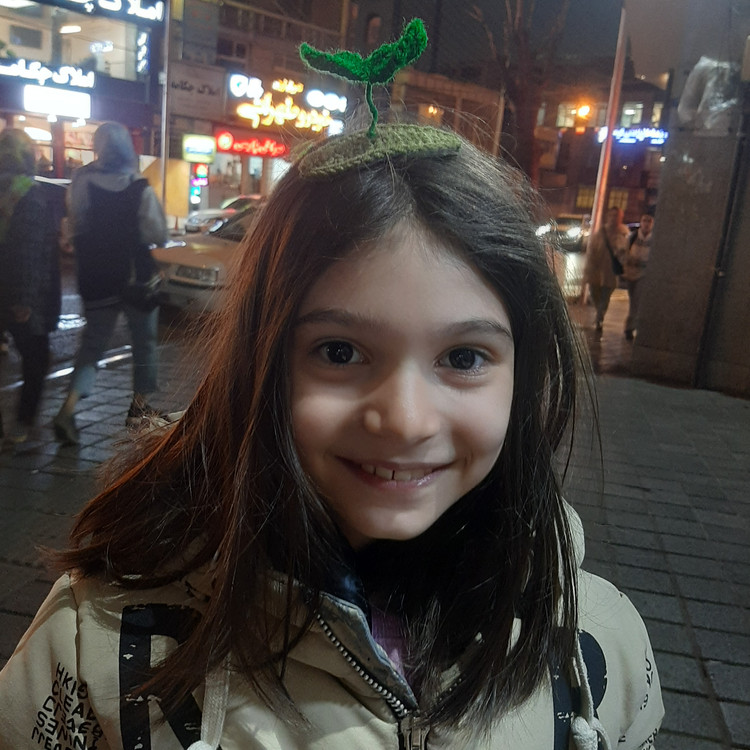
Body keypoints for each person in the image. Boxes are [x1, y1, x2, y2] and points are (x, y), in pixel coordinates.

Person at [0, 28, 663, 749]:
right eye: (340, 352)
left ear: (523, 375)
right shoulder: (94, 640)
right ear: (262, 361)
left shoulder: (595, 643)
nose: (404, 420)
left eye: (464, 357)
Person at [52, 121, 168, 445]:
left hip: (96, 277)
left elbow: (76, 225)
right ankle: (139, 409)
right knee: (144, 343)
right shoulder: (138, 186)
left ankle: (67, 409)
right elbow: (157, 233)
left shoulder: (81, 181)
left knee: (93, 345)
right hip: (135, 278)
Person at [0, 129, 61, 445]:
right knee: (36, 359)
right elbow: (28, 250)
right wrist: (23, 301)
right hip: (20, 292)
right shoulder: (28, 194)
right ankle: (23, 424)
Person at [583, 205, 630, 331]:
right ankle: (599, 313)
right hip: (596, 271)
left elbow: (624, 252)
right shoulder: (601, 232)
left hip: (610, 272)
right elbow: (592, 249)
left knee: (605, 296)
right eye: (612, 215)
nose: (614, 218)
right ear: (608, 216)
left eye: (617, 216)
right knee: (594, 293)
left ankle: (599, 318)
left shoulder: (623, 233)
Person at [622, 213, 655, 340]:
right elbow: (625, 253)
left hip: (643, 274)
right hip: (631, 273)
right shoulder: (633, 236)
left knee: (636, 300)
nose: (646, 224)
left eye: (649, 221)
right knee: (633, 301)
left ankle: (630, 327)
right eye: (644, 220)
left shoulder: (654, 239)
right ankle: (631, 325)